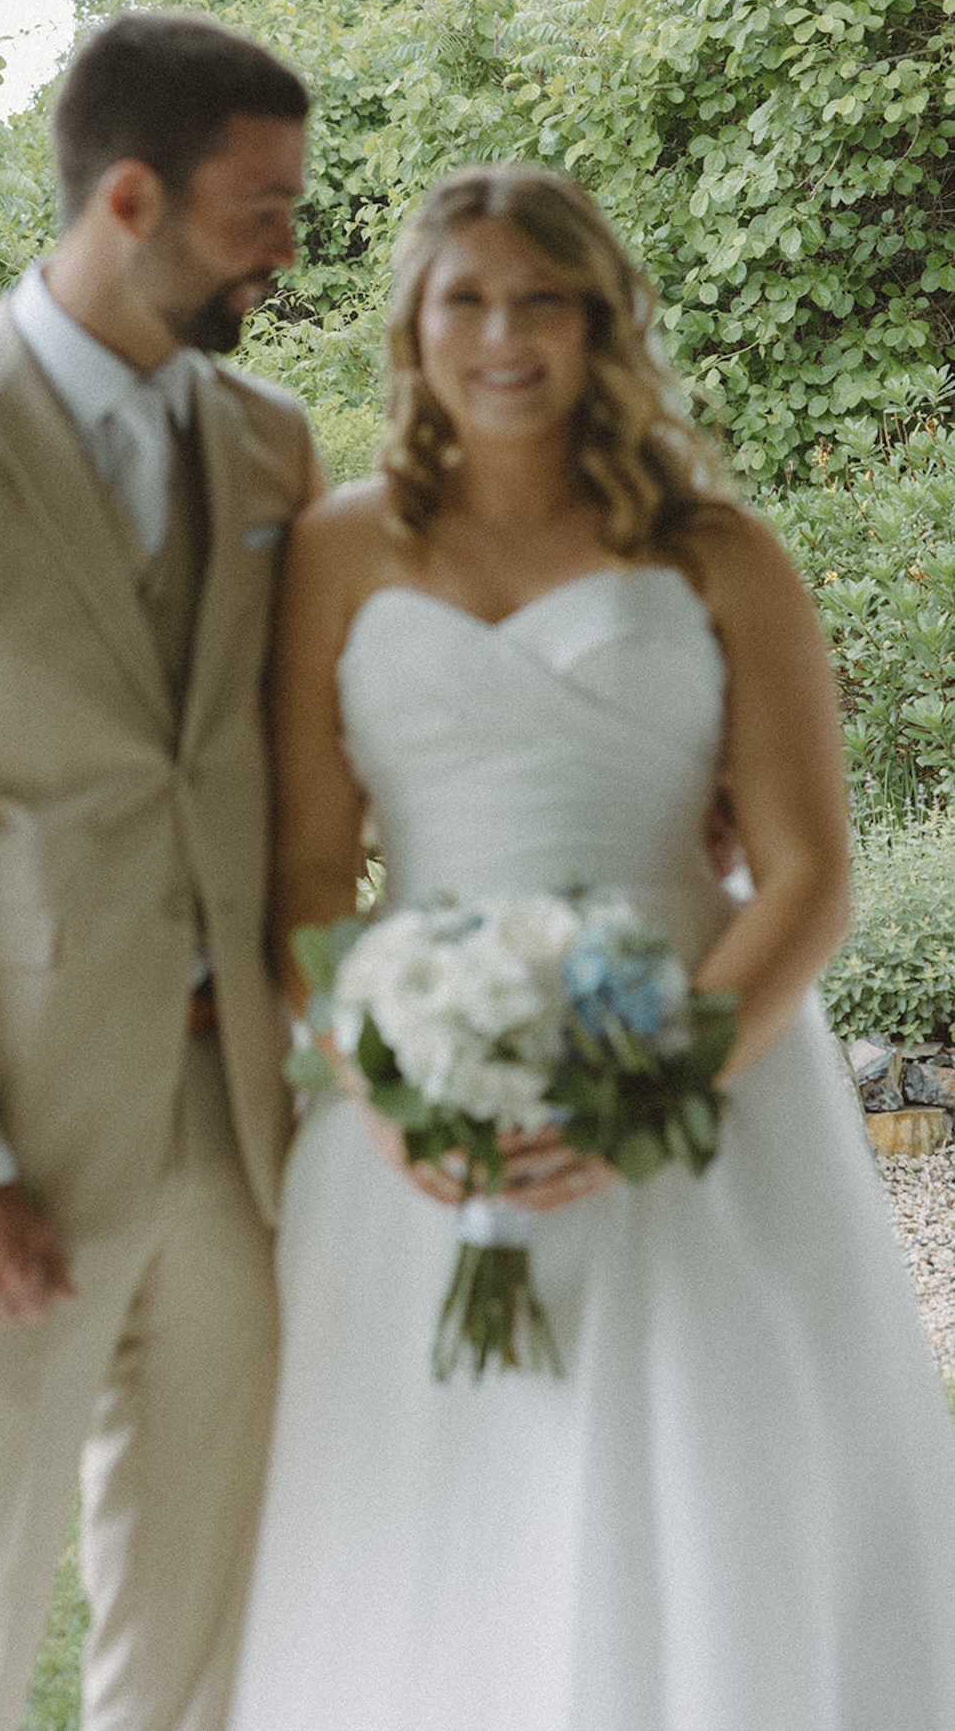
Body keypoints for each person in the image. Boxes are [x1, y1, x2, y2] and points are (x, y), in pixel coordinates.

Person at [227, 164, 955, 1731]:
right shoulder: (341, 553)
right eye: (465, 300)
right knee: (434, 1533)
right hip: (412, 1120)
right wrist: (385, 1076)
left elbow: (810, 872)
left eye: (541, 298)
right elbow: (301, 870)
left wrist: (649, 1086)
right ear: (414, 329)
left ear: (600, 320)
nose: (504, 334)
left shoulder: (719, 556)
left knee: (712, 1494)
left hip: (706, 1089)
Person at [0, 10, 324, 1731]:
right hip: (9, 1139)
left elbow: (319, 748)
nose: (285, 246)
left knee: (194, 1640)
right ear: (136, 198)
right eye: (261, 208)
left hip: (238, 1137)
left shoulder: (271, 446)